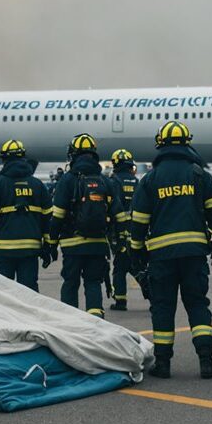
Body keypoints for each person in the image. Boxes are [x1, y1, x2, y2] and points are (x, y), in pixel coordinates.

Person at [129, 121, 212, 379]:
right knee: (197, 304)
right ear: (186, 144)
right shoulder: (200, 174)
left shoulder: (151, 178)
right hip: (194, 255)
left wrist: (136, 250)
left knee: (163, 307)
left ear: (160, 145)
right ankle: (206, 361)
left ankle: (163, 364)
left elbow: (138, 220)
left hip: (162, 257)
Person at [48, 134, 129, 318]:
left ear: (73, 155)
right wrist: (121, 239)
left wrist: (51, 242)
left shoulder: (67, 180)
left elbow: (58, 215)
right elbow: (118, 214)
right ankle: (96, 320)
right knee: (93, 283)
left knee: (71, 283)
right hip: (98, 245)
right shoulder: (105, 181)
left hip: (72, 246)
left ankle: (71, 324)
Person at [0, 140, 52, 291]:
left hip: (5, 250)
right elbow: (48, 219)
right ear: (23, 158)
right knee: (29, 293)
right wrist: (48, 245)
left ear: (4, 160)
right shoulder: (37, 185)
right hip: (30, 250)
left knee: (4, 294)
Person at [107, 149, 140, 311]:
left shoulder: (113, 182)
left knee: (120, 267)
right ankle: (153, 294)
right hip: (137, 231)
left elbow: (112, 208)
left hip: (119, 231)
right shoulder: (137, 182)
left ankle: (120, 301)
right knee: (138, 265)